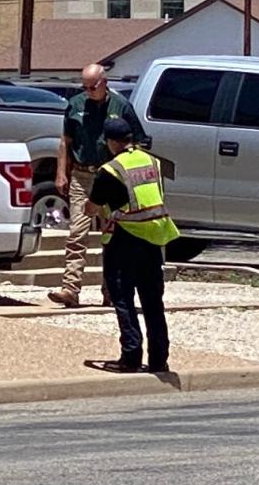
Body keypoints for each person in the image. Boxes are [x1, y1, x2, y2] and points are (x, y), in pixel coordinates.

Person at [84, 117, 179, 373]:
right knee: (152, 301)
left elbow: (92, 207)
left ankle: (131, 357)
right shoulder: (153, 162)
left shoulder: (110, 170)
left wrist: (92, 206)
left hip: (124, 239)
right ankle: (159, 359)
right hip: (153, 238)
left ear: (110, 141)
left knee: (123, 298)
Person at [49, 63, 145, 308]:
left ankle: (111, 291)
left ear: (104, 83)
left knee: (112, 237)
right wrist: (62, 173)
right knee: (76, 234)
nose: (89, 91)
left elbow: (138, 141)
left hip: (112, 177)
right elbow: (65, 141)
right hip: (82, 176)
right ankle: (70, 288)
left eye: (93, 86)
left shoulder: (121, 106)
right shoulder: (76, 105)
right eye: (85, 87)